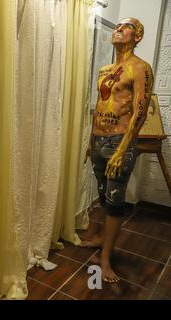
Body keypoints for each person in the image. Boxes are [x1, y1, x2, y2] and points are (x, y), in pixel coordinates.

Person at [81, 17, 154, 283]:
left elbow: (140, 111)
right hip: (99, 139)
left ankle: (106, 258)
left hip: (119, 141)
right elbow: (99, 106)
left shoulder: (141, 68)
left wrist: (123, 148)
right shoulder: (105, 69)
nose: (119, 29)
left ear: (138, 37)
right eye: (118, 26)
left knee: (115, 201)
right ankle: (102, 238)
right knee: (102, 194)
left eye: (127, 27)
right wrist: (90, 140)